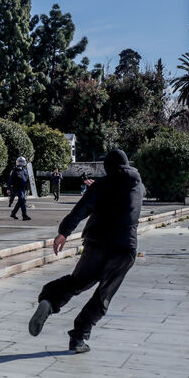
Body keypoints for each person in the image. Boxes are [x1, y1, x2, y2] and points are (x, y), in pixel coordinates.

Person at [28, 149, 145, 354]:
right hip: (124, 249)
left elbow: (80, 210)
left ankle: (49, 300)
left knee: (77, 282)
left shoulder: (101, 186)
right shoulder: (139, 186)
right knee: (103, 295)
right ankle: (79, 336)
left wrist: (63, 233)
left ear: (107, 167)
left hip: (97, 243)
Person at [8, 157, 32, 221]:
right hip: (17, 188)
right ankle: (24, 215)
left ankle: (13, 213)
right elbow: (10, 180)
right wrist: (8, 188)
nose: (21, 163)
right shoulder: (14, 170)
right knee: (22, 200)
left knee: (20, 202)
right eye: (19, 161)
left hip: (23, 188)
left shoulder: (25, 170)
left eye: (22, 161)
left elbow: (26, 178)